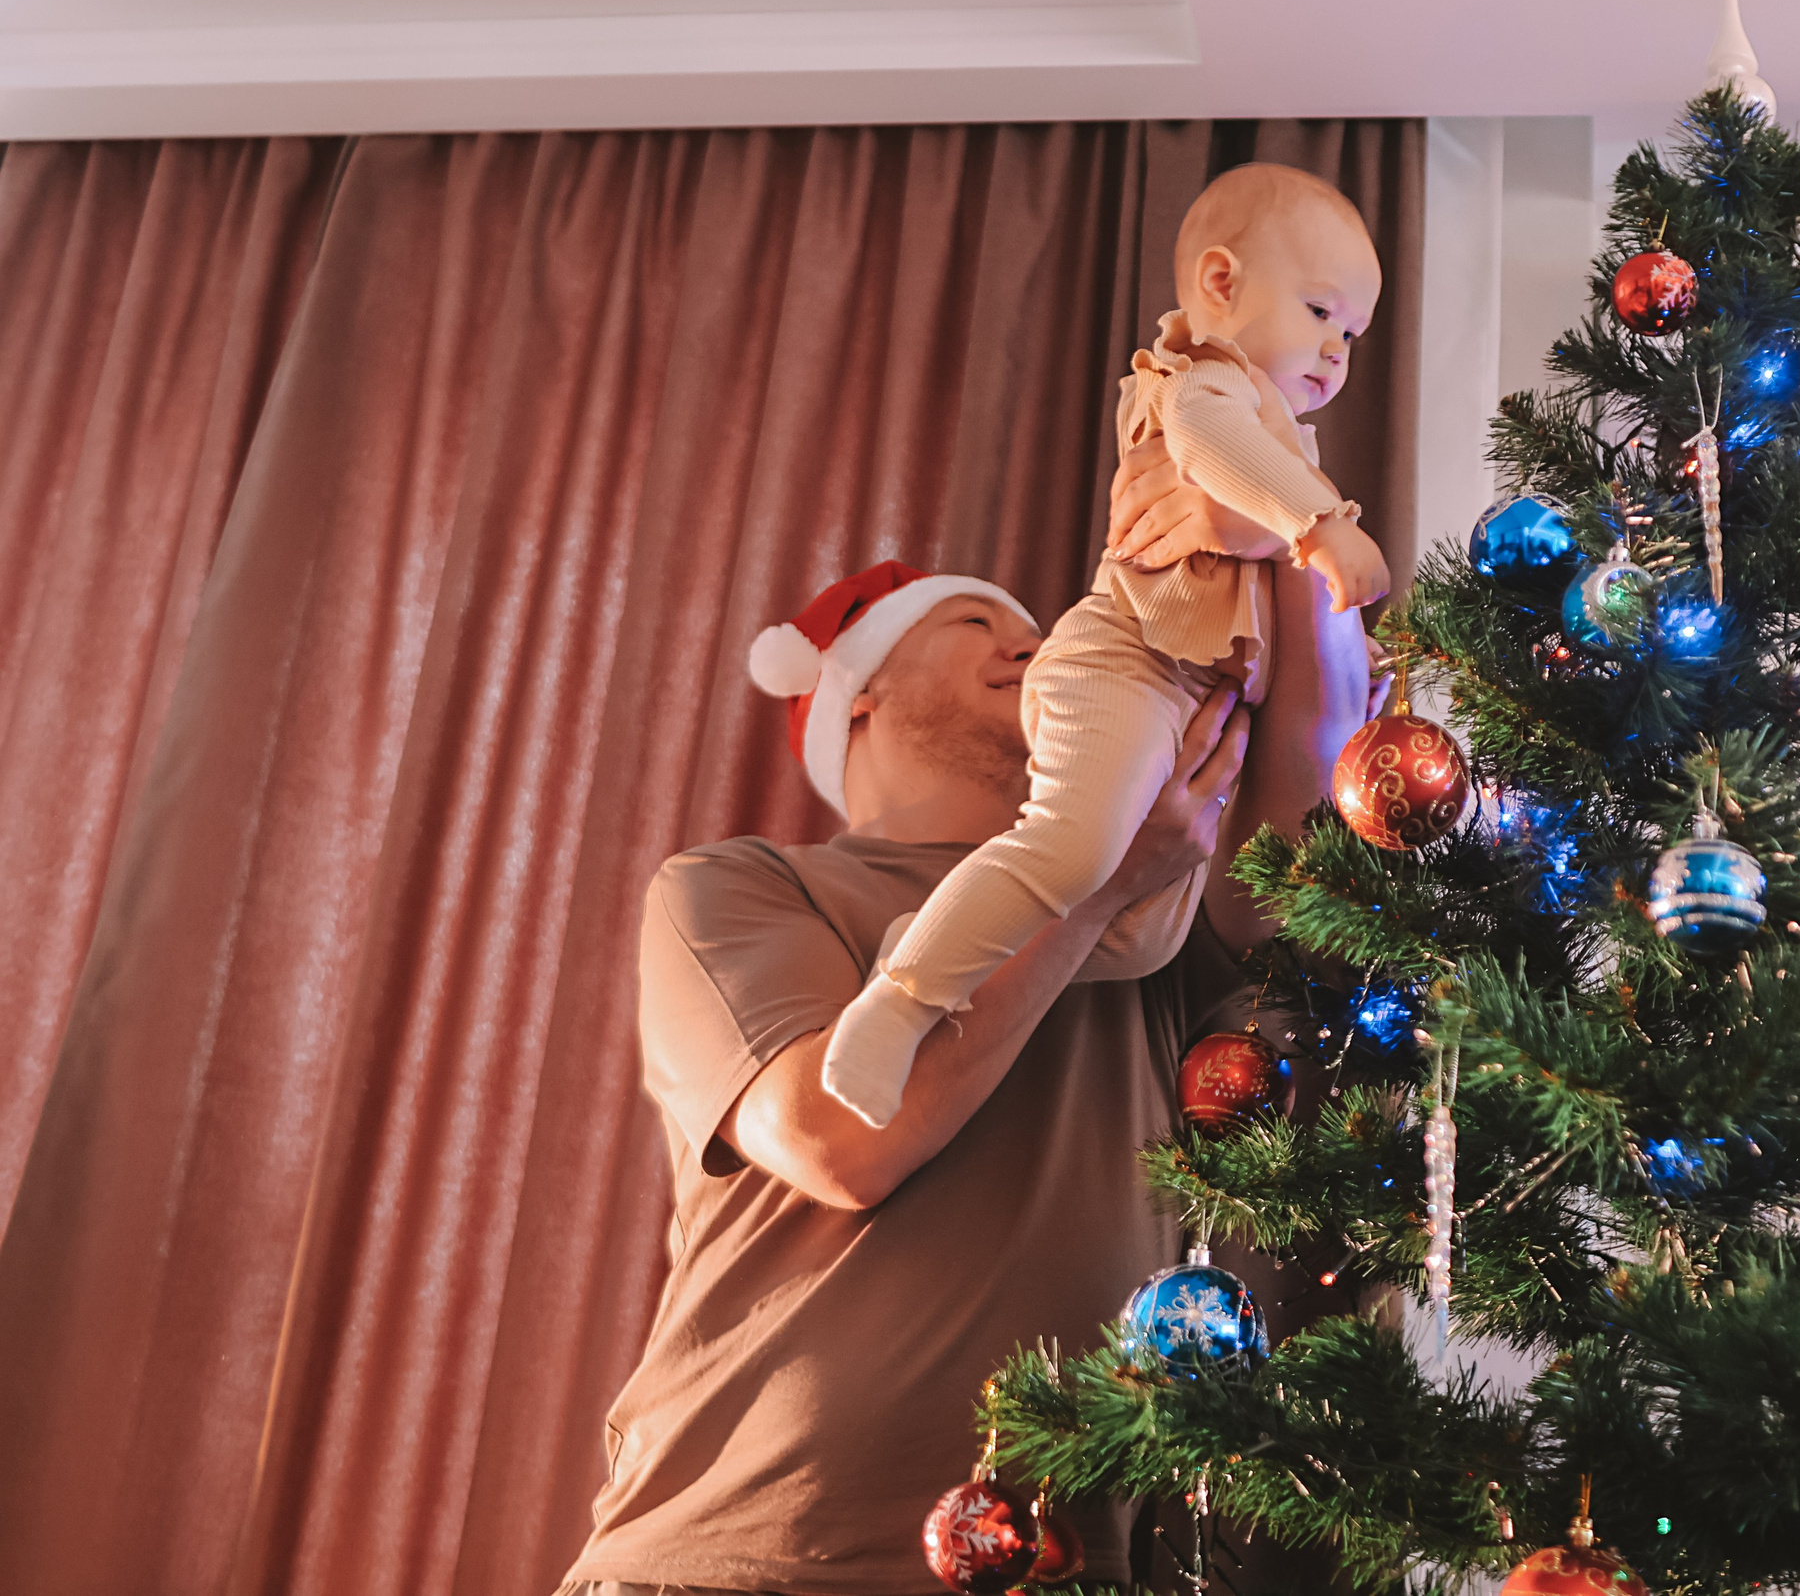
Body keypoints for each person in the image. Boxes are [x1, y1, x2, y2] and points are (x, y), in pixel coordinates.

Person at [557, 532, 1375, 1595]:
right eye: (974, 621)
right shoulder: (740, 889)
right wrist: (1089, 886)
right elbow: (840, 1141)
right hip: (742, 1552)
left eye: (1039, 632)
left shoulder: (1158, 923)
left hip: (1064, 1564)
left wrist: (1279, 500)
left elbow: (1310, 782)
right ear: (857, 692)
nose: (1030, 643)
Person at [818, 164, 1393, 1128]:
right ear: (1220, 284)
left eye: (1355, 335)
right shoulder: (1202, 377)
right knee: (1075, 847)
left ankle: (940, 941)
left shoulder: (1282, 439)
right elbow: (1212, 448)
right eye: (1322, 311)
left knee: (1142, 939)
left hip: (1187, 691)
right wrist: (1317, 521)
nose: (1338, 350)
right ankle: (903, 997)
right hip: (1126, 662)